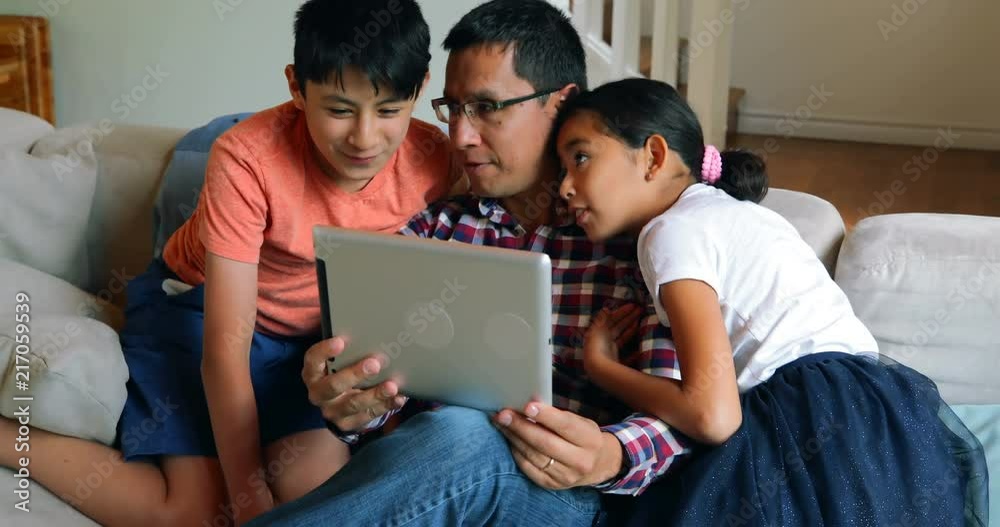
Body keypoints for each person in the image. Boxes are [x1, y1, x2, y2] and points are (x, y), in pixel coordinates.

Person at [0, 1, 462, 525]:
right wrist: (246, 495)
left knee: (312, 495)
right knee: (199, 511)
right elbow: (226, 345)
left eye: (388, 111)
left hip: (310, 348)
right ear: (295, 87)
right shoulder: (247, 159)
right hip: (197, 314)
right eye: (338, 109)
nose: (364, 137)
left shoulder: (436, 159)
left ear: (420, 90)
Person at [247, 1, 689, 525]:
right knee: (453, 434)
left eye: (486, 108)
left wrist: (609, 456)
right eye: (452, 109)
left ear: (561, 104)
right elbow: (375, 395)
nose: (460, 136)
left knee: (461, 435)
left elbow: (687, 412)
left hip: (564, 499)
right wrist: (351, 407)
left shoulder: (639, 243)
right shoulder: (432, 232)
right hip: (438, 492)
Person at [553, 77, 989, 526]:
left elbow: (712, 415)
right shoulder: (739, 215)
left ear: (654, 156)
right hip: (882, 419)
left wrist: (603, 369)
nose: (564, 186)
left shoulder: (669, 234)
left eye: (581, 158)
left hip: (804, 416)